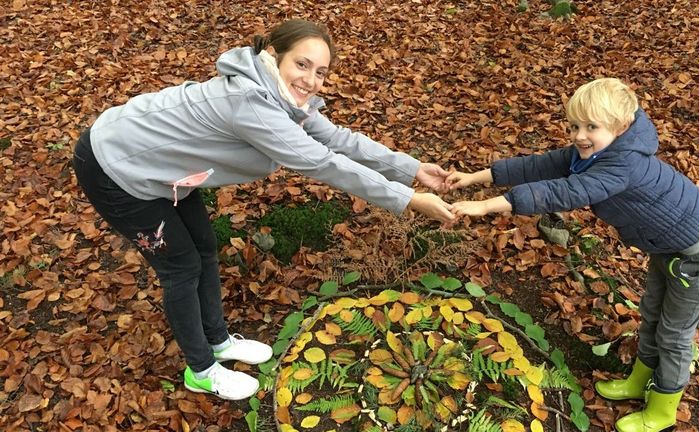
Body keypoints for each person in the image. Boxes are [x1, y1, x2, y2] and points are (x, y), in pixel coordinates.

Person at [73, 19, 455, 401]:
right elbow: (323, 163)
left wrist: (412, 169)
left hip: (166, 169)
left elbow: (339, 140)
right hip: (114, 165)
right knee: (181, 266)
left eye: (321, 72)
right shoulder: (251, 103)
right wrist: (409, 199)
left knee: (204, 248)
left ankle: (218, 341)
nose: (310, 80)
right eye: (301, 65)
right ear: (274, 55)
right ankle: (201, 370)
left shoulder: (281, 98)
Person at [445, 78, 699, 432]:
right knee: (652, 313)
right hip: (668, 247)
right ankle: (640, 379)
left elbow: (564, 192)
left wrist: (486, 206)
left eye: (591, 127)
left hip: (698, 252)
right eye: (574, 126)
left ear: (621, 127)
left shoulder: (620, 166)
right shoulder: (595, 152)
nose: (579, 135)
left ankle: (663, 409)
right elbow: (539, 166)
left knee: (674, 333)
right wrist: (475, 177)